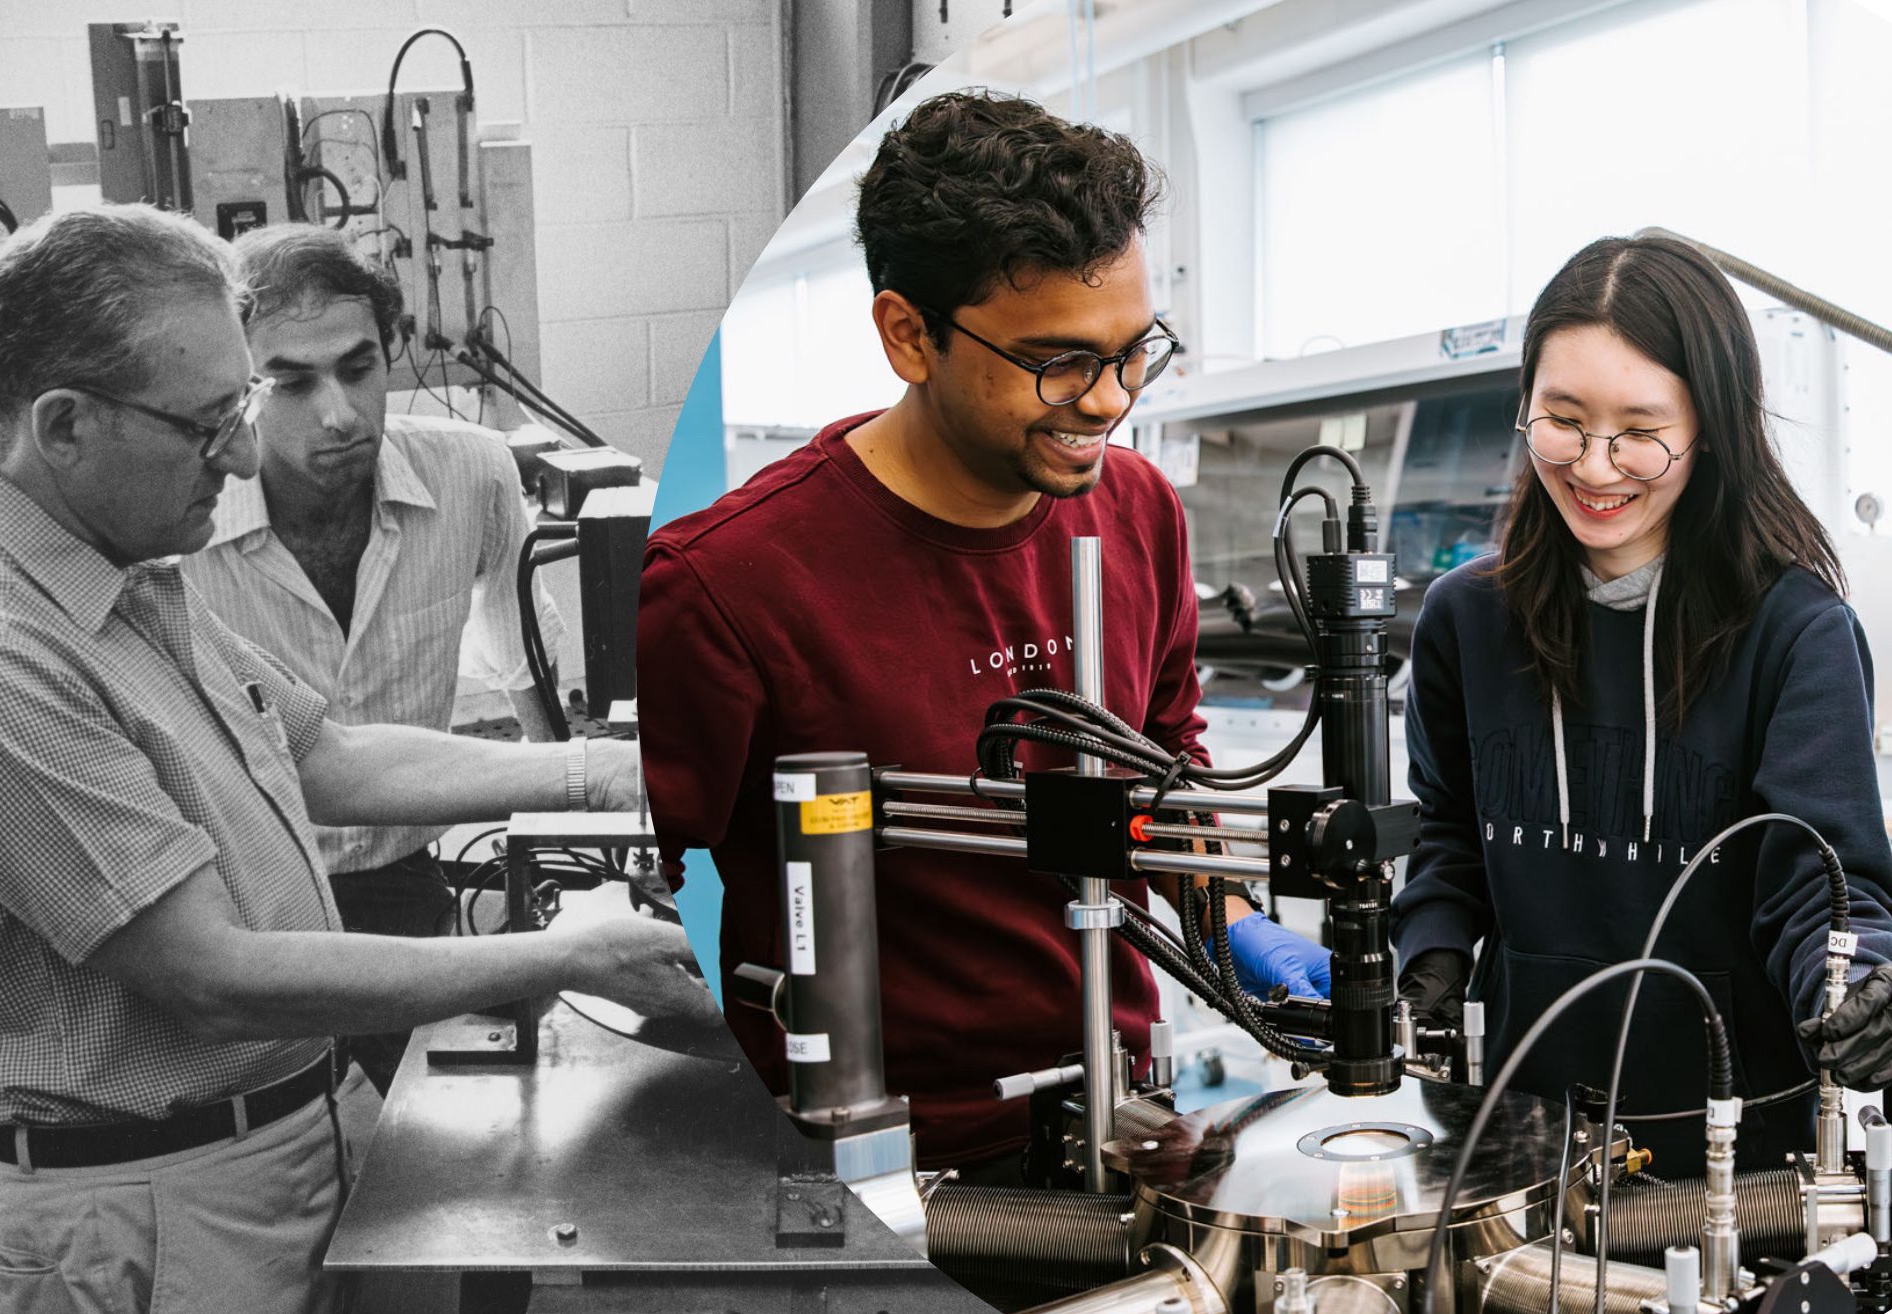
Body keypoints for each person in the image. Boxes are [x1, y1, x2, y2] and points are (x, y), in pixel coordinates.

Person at [0, 203, 706, 1314]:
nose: (235, 452)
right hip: (153, 1203)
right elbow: (211, 973)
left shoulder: (120, 572)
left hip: (287, 1130)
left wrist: (603, 777)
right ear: (63, 424)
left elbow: (321, 753)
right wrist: (568, 954)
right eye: (205, 421)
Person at [638, 91, 1328, 1178]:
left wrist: (1232, 919)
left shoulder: (1137, 510)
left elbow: (1168, 781)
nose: (1108, 401)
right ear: (908, 335)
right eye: (1058, 361)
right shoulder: (727, 581)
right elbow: (644, 885)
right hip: (874, 1163)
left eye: (1132, 350)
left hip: (1126, 1125)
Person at [1391, 233, 1892, 1177]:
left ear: (1712, 429)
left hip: (1740, 1160)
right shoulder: (1464, 620)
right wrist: (1432, 944)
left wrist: (1858, 982)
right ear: (1524, 409)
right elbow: (1448, 835)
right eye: (1563, 419)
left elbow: (1818, 881)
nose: (1595, 464)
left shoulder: (1797, 633)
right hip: (1518, 1137)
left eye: (1641, 429)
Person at [182, 223, 572, 1094]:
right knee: (279, 1152)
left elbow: (523, 664)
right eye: (289, 381)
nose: (338, 413)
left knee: (467, 1140)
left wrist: (557, 855)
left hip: (401, 884)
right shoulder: (180, 525)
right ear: (236, 388)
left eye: (358, 370)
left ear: (391, 351)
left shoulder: (471, 473)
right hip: (247, 904)